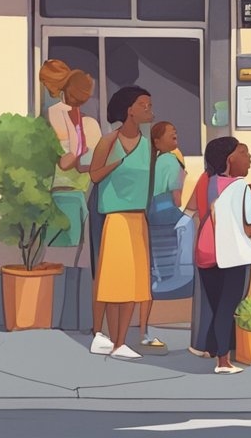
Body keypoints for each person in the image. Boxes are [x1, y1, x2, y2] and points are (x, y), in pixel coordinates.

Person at [38, 61, 103, 352]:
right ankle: (66, 320)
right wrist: (77, 146)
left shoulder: (83, 122)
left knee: (70, 260)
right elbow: (68, 161)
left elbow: (83, 162)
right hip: (65, 196)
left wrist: (78, 149)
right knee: (67, 260)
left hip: (75, 197)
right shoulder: (58, 116)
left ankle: (66, 320)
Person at [87, 86, 156, 361]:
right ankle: (103, 336)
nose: (150, 110)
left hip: (138, 217)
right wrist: (115, 165)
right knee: (113, 280)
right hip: (114, 217)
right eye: (145, 105)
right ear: (130, 110)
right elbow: (93, 176)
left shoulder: (148, 144)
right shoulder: (109, 141)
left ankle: (120, 341)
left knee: (134, 283)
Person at [187, 137, 251, 375]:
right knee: (227, 307)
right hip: (230, 253)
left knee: (216, 303)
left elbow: (196, 210)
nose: (249, 158)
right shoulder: (240, 187)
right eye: (244, 152)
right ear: (231, 159)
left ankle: (210, 347)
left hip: (205, 250)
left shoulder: (204, 180)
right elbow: (250, 226)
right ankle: (223, 361)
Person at [141, 121, 187, 352]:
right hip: (168, 215)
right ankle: (165, 328)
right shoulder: (170, 160)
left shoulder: (155, 161)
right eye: (171, 134)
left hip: (152, 216)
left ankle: (149, 330)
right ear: (157, 141)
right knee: (171, 272)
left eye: (175, 132)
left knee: (155, 272)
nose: (175, 135)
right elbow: (177, 197)